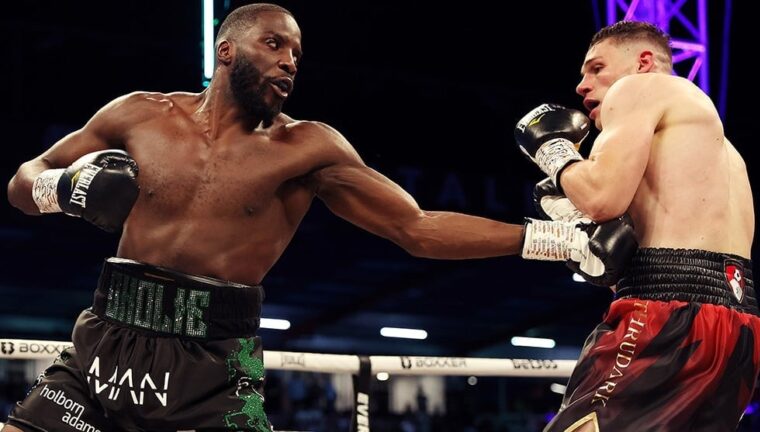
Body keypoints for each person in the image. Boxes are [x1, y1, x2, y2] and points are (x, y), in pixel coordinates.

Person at [4, 4, 636, 431]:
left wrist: (557, 241)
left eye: (297, 54)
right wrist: (65, 187)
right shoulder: (138, 114)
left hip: (213, 361)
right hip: (104, 339)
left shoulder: (307, 148)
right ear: (226, 49)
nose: (289, 61)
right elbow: (22, 180)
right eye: (274, 44)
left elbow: (414, 228)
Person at [516, 20, 760, 432]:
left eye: (596, 68)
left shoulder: (639, 88)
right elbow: (617, 256)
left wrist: (554, 152)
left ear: (644, 62)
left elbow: (600, 199)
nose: (581, 85)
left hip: (665, 316)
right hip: (740, 326)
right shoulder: (718, 151)